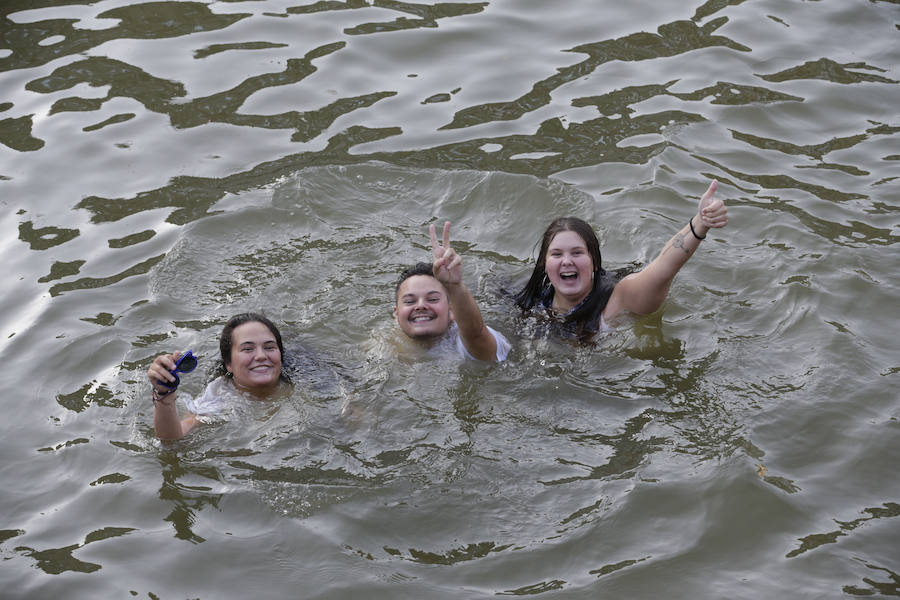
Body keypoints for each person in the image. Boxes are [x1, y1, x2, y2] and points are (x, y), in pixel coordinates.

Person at [514, 180, 729, 339]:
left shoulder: (617, 301)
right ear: (544, 263)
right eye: (557, 254)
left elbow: (663, 268)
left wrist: (701, 222)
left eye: (577, 253)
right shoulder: (530, 300)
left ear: (594, 262)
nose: (567, 261)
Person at [147, 312, 291, 441]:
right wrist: (164, 392)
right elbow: (172, 441)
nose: (261, 356)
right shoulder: (218, 397)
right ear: (229, 364)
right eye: (247, 349)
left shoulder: (300, 379)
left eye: (269, 347)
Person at [393, 221, 511, 362]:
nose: (420, 306)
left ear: (451, 311)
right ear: (396, 313)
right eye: (409, 301)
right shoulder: (386, 342)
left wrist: (454, 286)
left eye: (433, 299)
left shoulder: (465, 342)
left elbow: (475, 334)